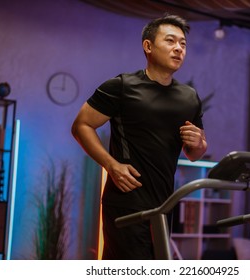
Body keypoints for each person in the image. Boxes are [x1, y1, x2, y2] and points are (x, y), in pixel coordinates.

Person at [71, 14, 207, 260]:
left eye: (183, 44)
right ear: (148, 46)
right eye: (170, 41)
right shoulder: (121, 86)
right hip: (126, 201)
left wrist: (199, 144)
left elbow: (195, 153)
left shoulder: (189, 97)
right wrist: (111, 165)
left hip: (165, 204)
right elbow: (81, 126)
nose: (178, 48)